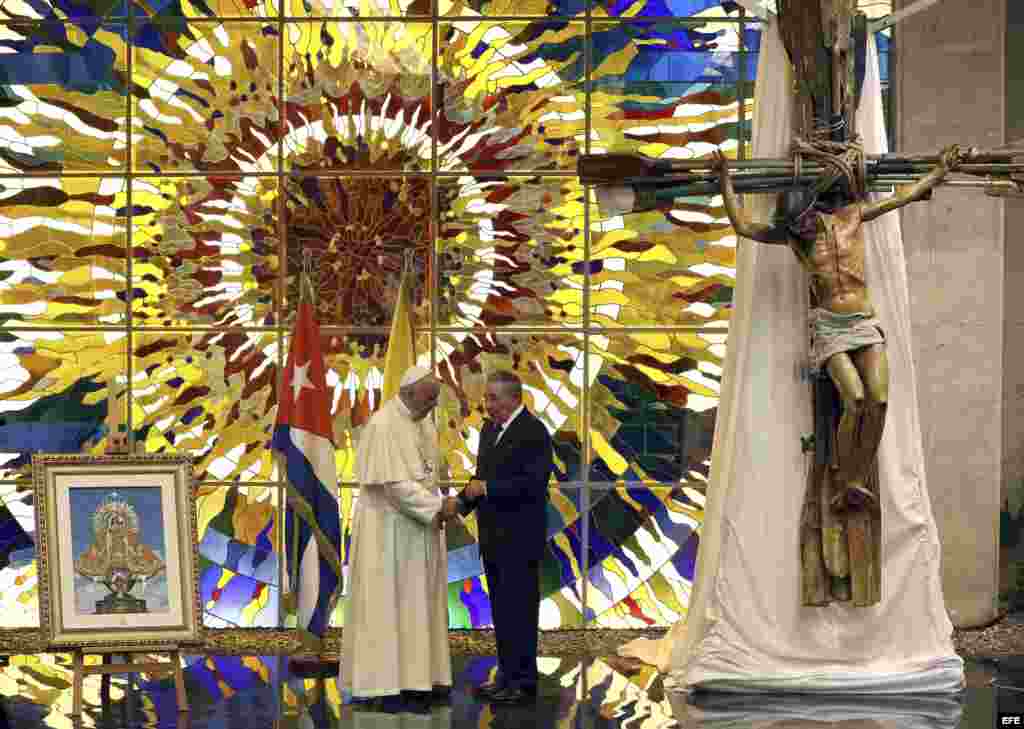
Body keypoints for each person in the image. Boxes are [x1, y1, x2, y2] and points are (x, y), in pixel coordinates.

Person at [712, 142, 964, 605]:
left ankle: (851, 480)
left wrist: (939, 173)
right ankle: (848, 480)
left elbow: (900, 198)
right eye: (795, 228)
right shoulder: (794, 238)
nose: (801, 231)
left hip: (864, 322)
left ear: (814, 208)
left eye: (803, 222)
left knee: (880, 401)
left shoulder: (851, 217)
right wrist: (726, 179)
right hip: (828, 327)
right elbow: (744, 226)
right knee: (854, 400)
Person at [340, 365, 460, 713]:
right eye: (429, 398)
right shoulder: (383, 425)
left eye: (436, 399)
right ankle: (387, 686)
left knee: (418, 606)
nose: (433, 405)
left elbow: (425, 473)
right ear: (408, 394)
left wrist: (438, 504)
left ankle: (421, 681)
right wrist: (439, 506)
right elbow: (393, 487)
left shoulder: (422, 422)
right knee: (389, 608)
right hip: (387, 533)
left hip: (417, 529)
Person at [457, 370, 554, 703]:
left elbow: (533, 484)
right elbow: (481, 478)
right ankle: (506, 677)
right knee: (502, 613)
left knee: (521, 614)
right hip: (493, 540)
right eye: (486, 398)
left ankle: (523, 685)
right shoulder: (488, 430)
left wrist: (488, 488)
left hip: (521, 541)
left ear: (515, 398)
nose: (488, 404)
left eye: (493, 398)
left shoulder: (534, 432)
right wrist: (458, 504)